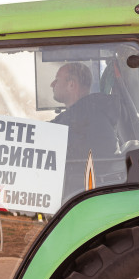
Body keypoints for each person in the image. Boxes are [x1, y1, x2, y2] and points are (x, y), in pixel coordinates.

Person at [50, 63, 120, 197]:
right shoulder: (85, 114)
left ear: (71, 84)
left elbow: (48, 137)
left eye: (57, 79)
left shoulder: (84, 118)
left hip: (81, 195)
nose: (52, 84)